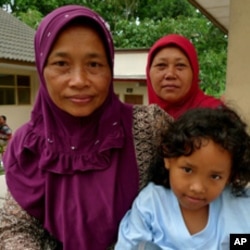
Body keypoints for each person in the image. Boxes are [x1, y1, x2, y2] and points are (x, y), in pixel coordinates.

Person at [0, 5, 172, 250]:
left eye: (94, 64)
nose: (79, 81)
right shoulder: (27, 144)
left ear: (109, 68)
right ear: (42, 68)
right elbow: (17, 227)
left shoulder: (150, 127)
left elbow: (206, 180)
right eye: (61, 63)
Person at [115, 106, 250, 250]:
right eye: (188, 170)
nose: (197, 187)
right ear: (168, 158)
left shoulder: (239, 207)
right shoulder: (152, 204)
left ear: (230, 175)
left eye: (215, 176)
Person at [146, 34, 223, 119]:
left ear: (194, 72)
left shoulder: (216, 115)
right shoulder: (136, 123)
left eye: (180, 65)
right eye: (161, 65)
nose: (170, 74)